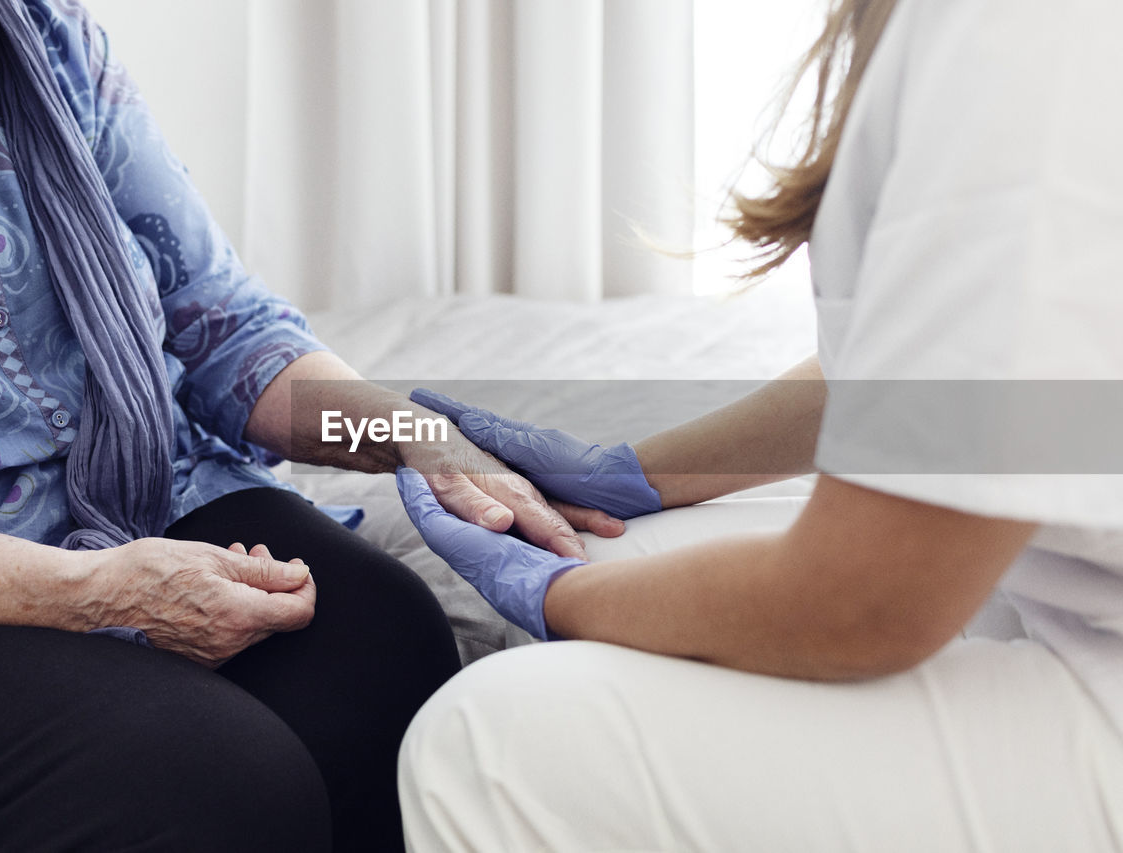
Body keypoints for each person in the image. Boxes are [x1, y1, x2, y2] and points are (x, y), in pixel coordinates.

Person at [0, 0, 590, 849]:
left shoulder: (39, 31)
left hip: (133, 485)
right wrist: (101, 594)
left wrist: (418, 439)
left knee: (383, 652)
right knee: (213, 783)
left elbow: (218, 321)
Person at [395, 0, 1123, 849]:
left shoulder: (1032, 35)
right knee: (606, 543)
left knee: (490, 744)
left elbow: (868, 600)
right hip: (1064, 584)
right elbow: (939, 371)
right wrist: (633, 472)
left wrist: (560, 596)